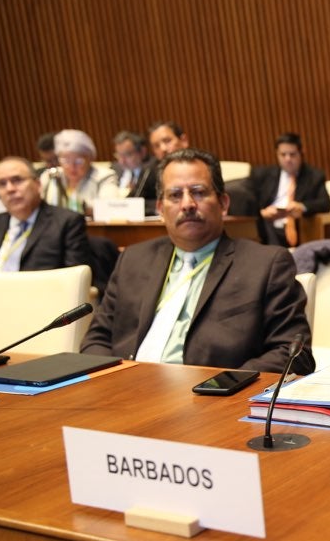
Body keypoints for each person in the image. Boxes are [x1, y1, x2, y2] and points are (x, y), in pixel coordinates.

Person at [81, 148, 314, 374]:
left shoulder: (265, 265)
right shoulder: (133, 259)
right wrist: (115, 381)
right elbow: (97, 339)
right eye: (175, 195)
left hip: (211, 394)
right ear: (161, 208)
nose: (187, 204)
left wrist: (225, 384)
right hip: (128, 389)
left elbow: (293, 353)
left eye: (199, 192)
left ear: (223, 203)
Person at [0, 157, 89, 271]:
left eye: (17, 180)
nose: (10, 189)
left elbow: (74, 278)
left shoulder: (66, 223)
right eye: (2, 184)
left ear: (38, 185)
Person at [246, 132, 330, 247]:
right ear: (277, 154)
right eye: (283, 154)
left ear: (301, 153)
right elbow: (248, 201)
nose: (288, 159)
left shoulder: (314, 176)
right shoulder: (263, 175)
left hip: (297, 229)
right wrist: (262, 213)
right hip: (268, 226)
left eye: (292, 154)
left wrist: (302, 207)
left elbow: (325, 203)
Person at [40, 129, 119, 214]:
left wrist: (79, 206)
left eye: (78, 161)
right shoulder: (50, 176)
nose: (72, 167)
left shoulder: (104, 176)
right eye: (66, 161)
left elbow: (109, 207)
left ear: (90, 158)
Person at [111, 130, 158, 202]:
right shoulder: (114, 169)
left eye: (127, 155)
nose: (122, 161)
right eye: (119, 155)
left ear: (142, 152)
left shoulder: (152, 170)